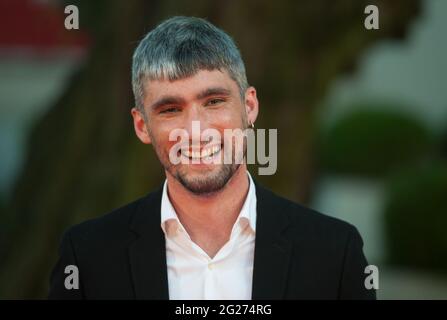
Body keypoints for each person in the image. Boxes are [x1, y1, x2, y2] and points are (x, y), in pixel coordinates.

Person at [48, 16, 375, 300]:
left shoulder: (335, 253)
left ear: (249, 107)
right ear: (141, 125)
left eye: (214, 101)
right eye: (170, 109)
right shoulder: (88, 256)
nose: (196, 130)